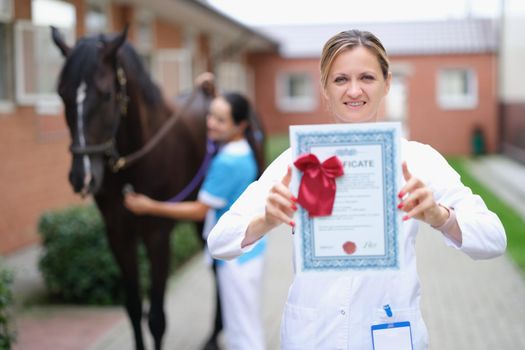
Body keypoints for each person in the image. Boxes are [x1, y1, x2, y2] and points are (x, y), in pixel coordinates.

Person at [206, 30, 507, 350]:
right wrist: (265, 220)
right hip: (313, 334)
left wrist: (440, 216)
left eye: (366, 77)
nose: (353, 90)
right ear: (324, 88)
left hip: (388, 332)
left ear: (387, 83)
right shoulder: (297, 160)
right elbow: (219, 241)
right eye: (339, 80)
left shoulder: (418, 159)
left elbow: (493, 238)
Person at [124, 88, 267, 350]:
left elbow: (199, 211)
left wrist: (150, 206)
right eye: (211, 116)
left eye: (220, 120)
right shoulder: (244, 146)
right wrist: (211, 89)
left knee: (242, 334)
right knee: (244, 326)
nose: (210, 123)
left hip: (237, 257)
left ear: (239, 125)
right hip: (248, 252)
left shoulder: (228, 162)